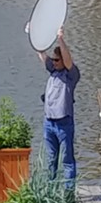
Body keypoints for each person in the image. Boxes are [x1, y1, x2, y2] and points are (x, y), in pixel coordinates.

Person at [33, 27, 80, 191]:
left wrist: (60, 39)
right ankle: (50, 192)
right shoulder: (52, 70)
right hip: (49, 123)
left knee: (67, 161)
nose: (54, 62)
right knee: (51, 160)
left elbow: (68, 60)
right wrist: (34, 32)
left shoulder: (71, 76)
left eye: (57, 60)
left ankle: (68, 193)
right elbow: (41, 52)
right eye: (53, 60)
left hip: (64, 124)